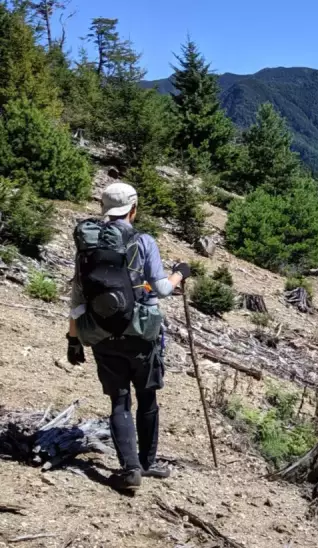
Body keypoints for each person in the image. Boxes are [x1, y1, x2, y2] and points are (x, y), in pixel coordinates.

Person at [66, 182, 192, 492]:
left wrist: (73, 340)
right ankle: (147, 464)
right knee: (147, 398)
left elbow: (77, 299)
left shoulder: (88, 246)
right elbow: (162, 289)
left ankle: (130, 468)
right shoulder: (143, 241)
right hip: (141, 334)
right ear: (133, 208)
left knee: (119, 401)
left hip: (102, 333)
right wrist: (181, 272)